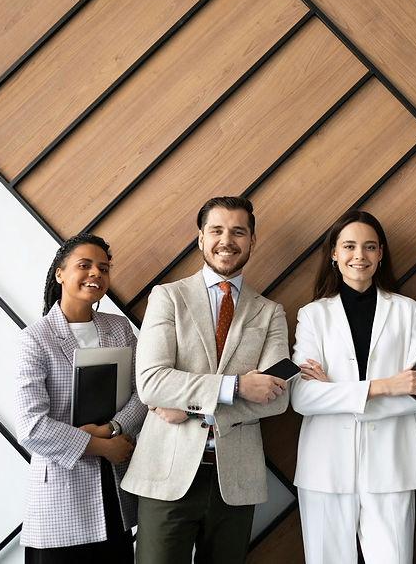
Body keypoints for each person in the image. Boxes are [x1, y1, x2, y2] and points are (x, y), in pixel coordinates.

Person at [121, 196, 290, 564]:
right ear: (200, 238)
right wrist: (238, 387)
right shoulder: (168, 297)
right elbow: (151, 380)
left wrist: (191, 409)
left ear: (251, 241)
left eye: (238, 232)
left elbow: (276, 397)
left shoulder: (271, 312)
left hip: (235, 480)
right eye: (216, 230)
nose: (226, 240)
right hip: (167, 475)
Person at [291, 210, 416, 564]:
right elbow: (303, 397)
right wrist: (385, 386)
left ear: (381, 253)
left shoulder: (408, 311)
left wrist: (336, 393)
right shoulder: (312, 315)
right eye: (350, 246)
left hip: (392, 465)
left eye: (370, 247)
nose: (360, 255)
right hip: (324, 468)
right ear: (334, 254)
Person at [15, 233, 147, 563]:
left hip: (115, 487)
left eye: (103, 268)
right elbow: (31, 427)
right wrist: (102, 446)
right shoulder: (35, 339)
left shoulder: (119, 329)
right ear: (60, 273)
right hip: (61, 491)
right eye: (84, 265)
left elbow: (142, 394)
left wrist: (112, 429)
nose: (96, 274)